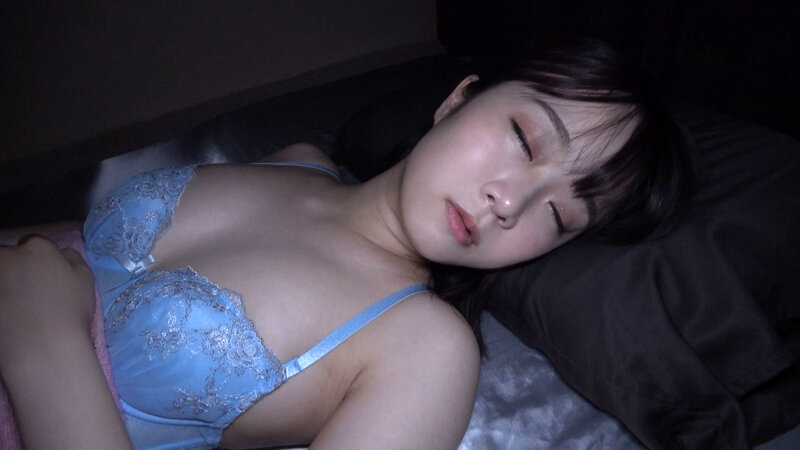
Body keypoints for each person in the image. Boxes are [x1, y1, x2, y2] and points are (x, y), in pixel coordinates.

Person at [0, 39, 692, 449]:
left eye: (560, 217)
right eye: (524, 138)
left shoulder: (426, 350)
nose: (510, 203)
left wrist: (44, 345)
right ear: (458, 100)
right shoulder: (298, 160)